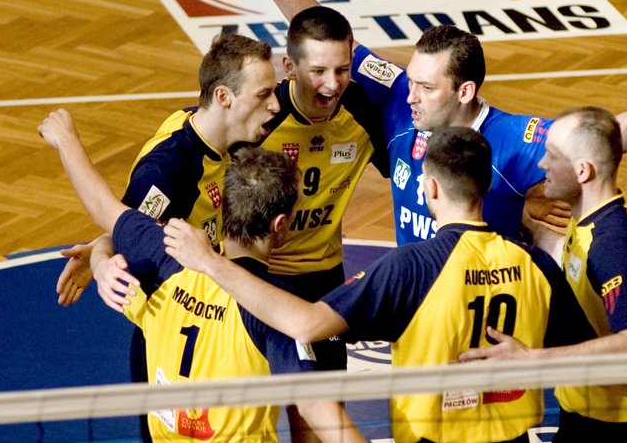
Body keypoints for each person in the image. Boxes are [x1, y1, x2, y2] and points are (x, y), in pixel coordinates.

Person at [209, 0, 627, 244]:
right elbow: (319, 28)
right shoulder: (399, 98)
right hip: (416, 309)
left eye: (426, 87)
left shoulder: (508, 139)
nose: (410, 95)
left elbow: (599, 136)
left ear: (465, 92)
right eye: (412, 81)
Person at [161, 127, 599, 443]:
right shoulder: (535, 264)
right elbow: (590, 356)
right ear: (484, 186)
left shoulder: (411, 268)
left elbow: (307, 323)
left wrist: (211, 264)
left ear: (430, 188)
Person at [39, 109, 364, 443]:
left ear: (226, 207)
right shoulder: (276, 310)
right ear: (280, 226)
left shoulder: (168, 258)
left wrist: (66, 139)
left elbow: (102, 205)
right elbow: (314, 406)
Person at [53, 32, 280, 441]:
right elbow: (122, 221)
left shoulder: (217, 130)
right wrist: (102, 257)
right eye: (264, 95)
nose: (275, 105)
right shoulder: (169, 169)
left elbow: (127, 220)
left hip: (217, 317)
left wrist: (96, 251)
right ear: (224, 97)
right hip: (170, 334)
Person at [458, 106, 627, 442]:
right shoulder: (591, 216)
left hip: (618, 429)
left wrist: (531, 360)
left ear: (582, 170)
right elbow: (573, 260)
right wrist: (521, 222)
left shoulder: (612, 243)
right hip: (586, 414)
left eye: (552, 157)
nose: (541, 165)